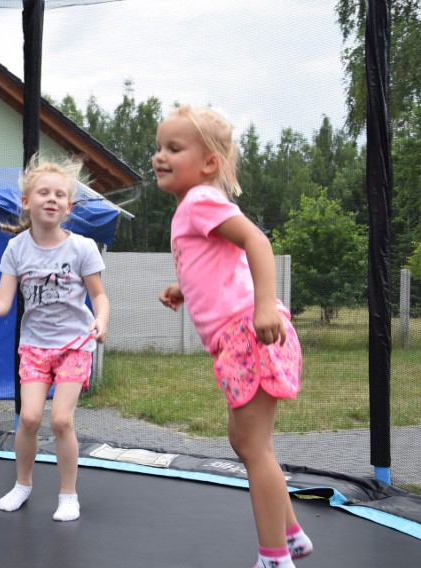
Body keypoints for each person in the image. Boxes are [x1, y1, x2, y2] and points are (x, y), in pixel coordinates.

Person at [153, 105, 313, 567]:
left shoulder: (201, 199)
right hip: (237, 337)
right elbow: (217, 266)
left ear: (208, 163)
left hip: (251, 332)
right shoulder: (191, 208)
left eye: (174, 148)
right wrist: (185, 289)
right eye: (159, 147)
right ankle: (292, 534)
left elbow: (256, 242)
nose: (160, 156)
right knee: (245, 444)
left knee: (255, 448)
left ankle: (274, 557)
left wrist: (265, 305)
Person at [0, 155, 110, 522]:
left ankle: (68, 495)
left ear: (68, 206)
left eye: (60, 194)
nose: (52, 198)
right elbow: (3, 303)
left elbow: (99, 296)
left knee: (61, 420)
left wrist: (101, 321)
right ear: (27, 202)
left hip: (75, 343)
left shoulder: (82, 248)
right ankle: (22, 484)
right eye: (43, 192)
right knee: (28, 419)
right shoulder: (17, 249)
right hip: (35, 347)